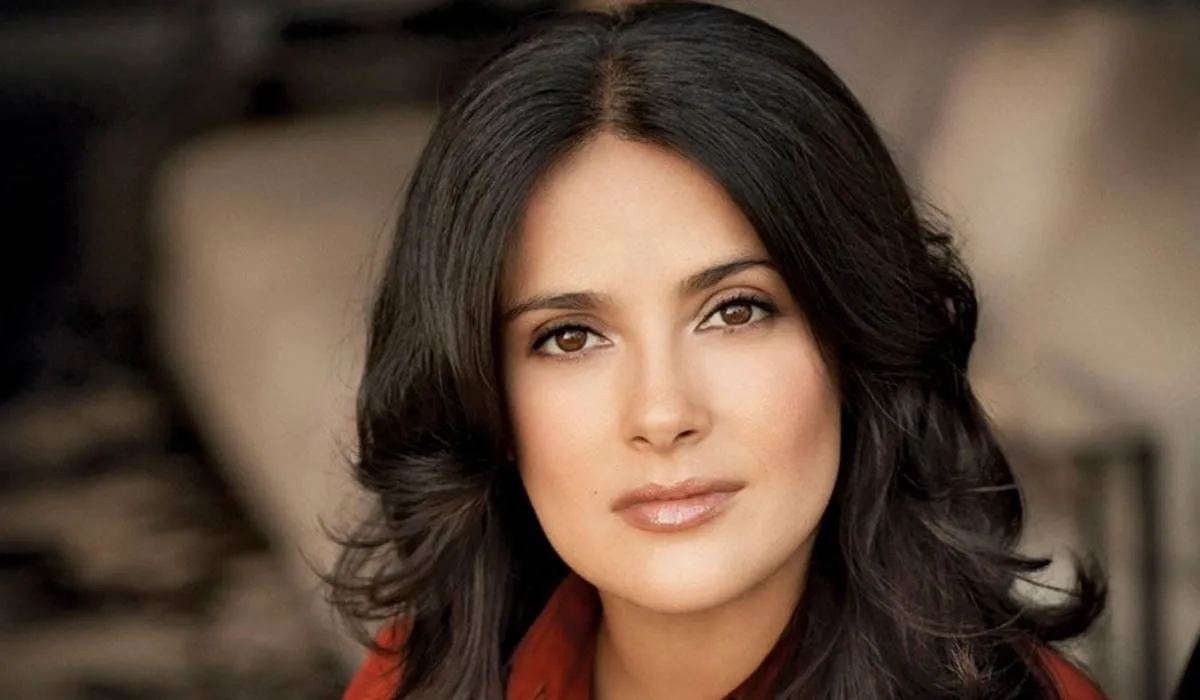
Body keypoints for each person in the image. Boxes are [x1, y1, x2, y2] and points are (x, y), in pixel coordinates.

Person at [329, 2, 1107, 698]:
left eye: (736, 311)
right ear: (484, 400)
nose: (662, 413)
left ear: (854, 344)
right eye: (570, 337)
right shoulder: (422, 675)